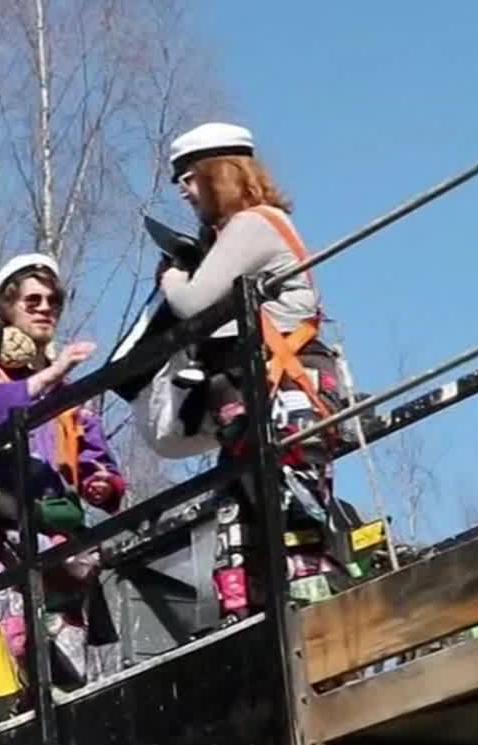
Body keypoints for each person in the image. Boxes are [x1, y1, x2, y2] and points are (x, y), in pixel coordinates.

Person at [142, 122, 351, 624]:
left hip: (283, 389)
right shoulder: (238, 233)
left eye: (189, 178)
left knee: (293, 525)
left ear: (219, 173)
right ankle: (265, 629)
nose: (184, 192)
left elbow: (193, 302)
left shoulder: (255, 224)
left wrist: (174, 277)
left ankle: (312, 629)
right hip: (254, 396)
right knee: (245, 533)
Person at [0, 253, 127, 687]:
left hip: (60, 547)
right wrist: (48, 375)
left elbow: (95, 454)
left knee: (67, 679)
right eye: (32, 300)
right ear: (7, 306)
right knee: (10, 666)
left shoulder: (65, 392)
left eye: (53, 301)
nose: (45, 308)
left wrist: (101, 482)